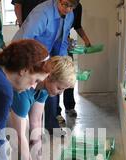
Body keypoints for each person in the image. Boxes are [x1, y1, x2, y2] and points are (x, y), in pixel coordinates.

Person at [12, 0, 79, 135]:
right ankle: (19, 128)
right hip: (23, 55)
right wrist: (31, 69)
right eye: (65, 4)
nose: (67, 9)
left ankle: (50, 125)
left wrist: (63, 64)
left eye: (72, 7)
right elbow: (25, 41)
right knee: (24, 98)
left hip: (44, 56)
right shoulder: (42, 13)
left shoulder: (70, 16)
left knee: (52, 87)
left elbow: (63, 42)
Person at [63, 2, 92, 118]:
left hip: (66, 41)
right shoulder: (56, 4)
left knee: (69, 74)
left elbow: (77, 26)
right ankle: (54, 112)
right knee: (55, 75)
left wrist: (86, 40)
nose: (71, 9)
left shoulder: (78, 7)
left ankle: (70, 106)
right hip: (53, 41)